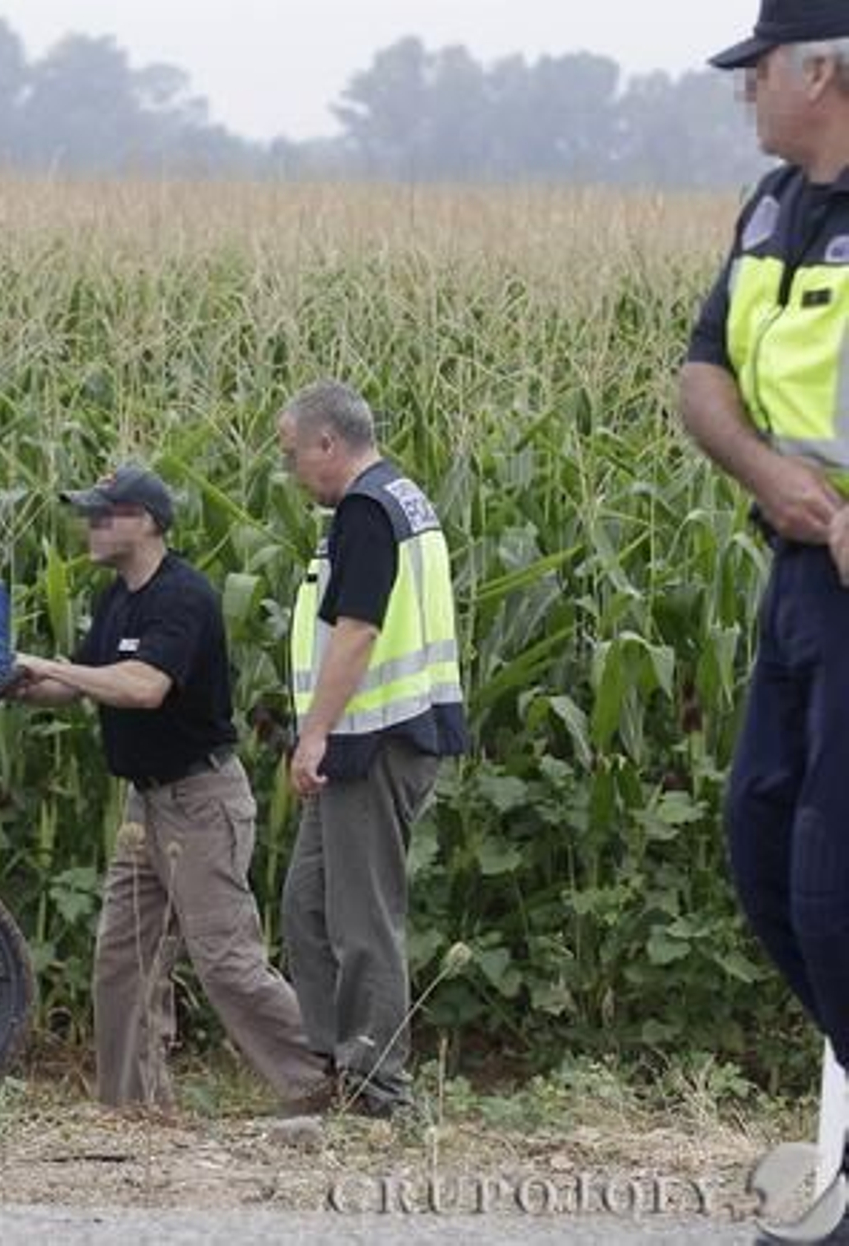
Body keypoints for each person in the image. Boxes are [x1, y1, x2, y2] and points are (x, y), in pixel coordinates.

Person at [681, 3, 849, 1240]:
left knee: (835, 889)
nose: (746, 96)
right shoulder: (770, 211)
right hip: (799, 574)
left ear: (825, 70)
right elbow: (702, 378)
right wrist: (771, 478)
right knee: (758, 847)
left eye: (758, 74)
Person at [12, 465, 328, 1111]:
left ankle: (332, 1082)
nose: (91, 525)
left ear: (148, 521)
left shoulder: (183, 596)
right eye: (89, 513)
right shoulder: (115, 599)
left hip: (200, 800)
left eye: (105, 513)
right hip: (144, 804)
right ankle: (133, 1108)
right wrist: (8, 683)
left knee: (226, 962)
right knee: (122, 960)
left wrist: (49, 664)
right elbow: (77, 684)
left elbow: (143, 686)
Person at [275, 380, 468, 1117]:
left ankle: (378, 1084)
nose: (295, 473)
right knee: (307, 903)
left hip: (377, 736)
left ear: (329, 443)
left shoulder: (365, 509)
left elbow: (358, 630)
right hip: (374, 733)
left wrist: (314, 732)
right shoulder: (399, 497)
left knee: (362, 915)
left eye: (296, 455)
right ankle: (335, 1062)